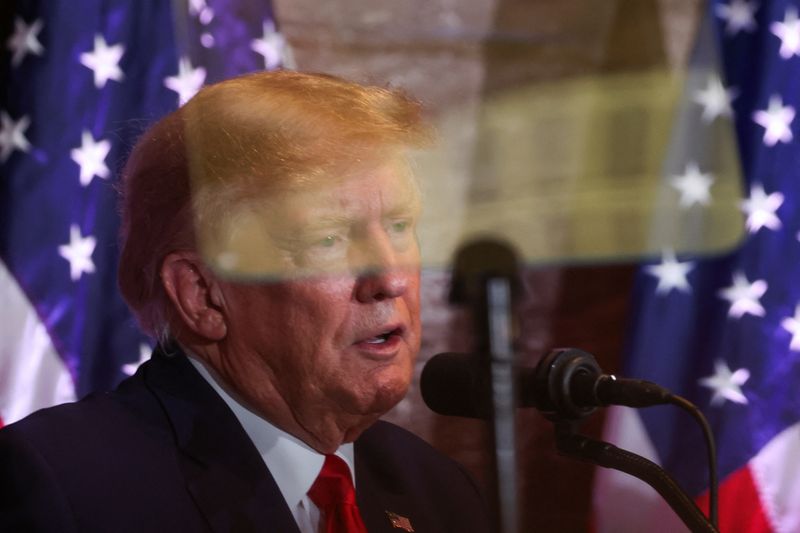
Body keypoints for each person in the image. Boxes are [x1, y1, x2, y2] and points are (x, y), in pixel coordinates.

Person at [0, 71, 493, 532]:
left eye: (401, 226)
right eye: (328, 239)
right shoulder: (64, 490)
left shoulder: (440, 494)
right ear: (203, 294)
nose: (391, 277)